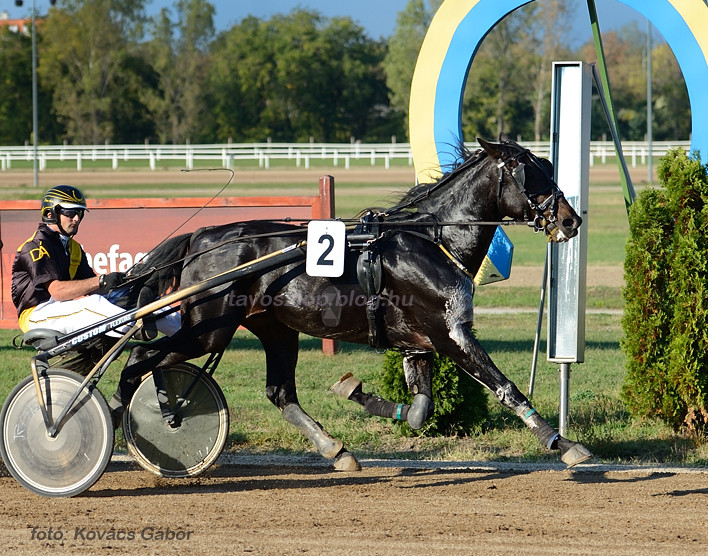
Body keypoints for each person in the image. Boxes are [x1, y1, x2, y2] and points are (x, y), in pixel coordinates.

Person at [11, 184, 180, 337]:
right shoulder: (34, 247)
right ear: (50, 214)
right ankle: (137, 327)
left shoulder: (74, 248)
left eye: (80, 213)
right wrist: (100, 280)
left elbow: (93, 289)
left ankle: (187, 334)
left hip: (61, 307)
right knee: (93, 304)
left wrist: (125, 286)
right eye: (70, 213)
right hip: (36, 314)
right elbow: (57, 292)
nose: (76, 219)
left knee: (139, 297)